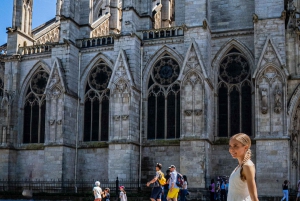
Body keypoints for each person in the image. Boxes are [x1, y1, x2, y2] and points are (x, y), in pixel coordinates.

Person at [228, 133, 259, 201]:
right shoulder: (240, 166)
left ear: (245, 147)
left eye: (235, 146)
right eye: (230, 146)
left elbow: (254, 196)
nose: (231, 149)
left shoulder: (247, 166)